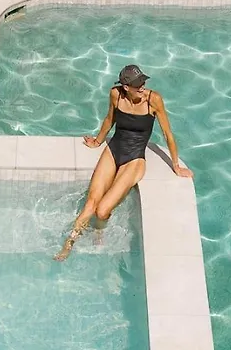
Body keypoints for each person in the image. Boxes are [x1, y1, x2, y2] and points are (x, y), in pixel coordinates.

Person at [55, 64, 192, 261]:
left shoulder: (153, 100)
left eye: (143, 82)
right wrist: (98, 141)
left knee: (102, 211)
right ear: (126, 87)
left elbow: (167, 133)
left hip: (134, 158)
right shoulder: (116, 94)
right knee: (90, 204)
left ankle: (99, 232)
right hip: (114, 150)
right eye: (138, 84)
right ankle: (68, 245)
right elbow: (109, 119)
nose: (142, 86)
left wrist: (176, 165)